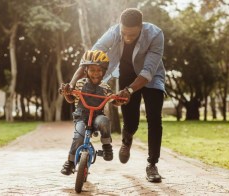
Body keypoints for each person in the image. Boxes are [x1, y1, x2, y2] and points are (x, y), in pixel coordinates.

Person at [67, 8, 165, 183]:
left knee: (154, 118)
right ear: (120, 27)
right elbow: (91, 57)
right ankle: (127, 139)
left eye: (132, 35)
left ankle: (152, 164)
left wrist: (129, 91)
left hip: (151, 78)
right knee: (131, 120)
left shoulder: (155, 35)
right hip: (127, 75)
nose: (127, 38)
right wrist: (72, 82)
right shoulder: (113, 32)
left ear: (141, 27)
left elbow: (148, 70)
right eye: (124, 33)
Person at [59, 50, 124, 176]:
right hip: (81, 117)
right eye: (92, 70)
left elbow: (113, 101)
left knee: (104, 121)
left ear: (104, 71)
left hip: (97, 117)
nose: (95, 73)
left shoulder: (105, 87)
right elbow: (71, 99)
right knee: (79, 137)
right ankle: (70, 162)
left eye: (99, 70)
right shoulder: (79, 84)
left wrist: (119, 100)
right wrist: (67, 93)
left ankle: (106, 147)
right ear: (86, 71)